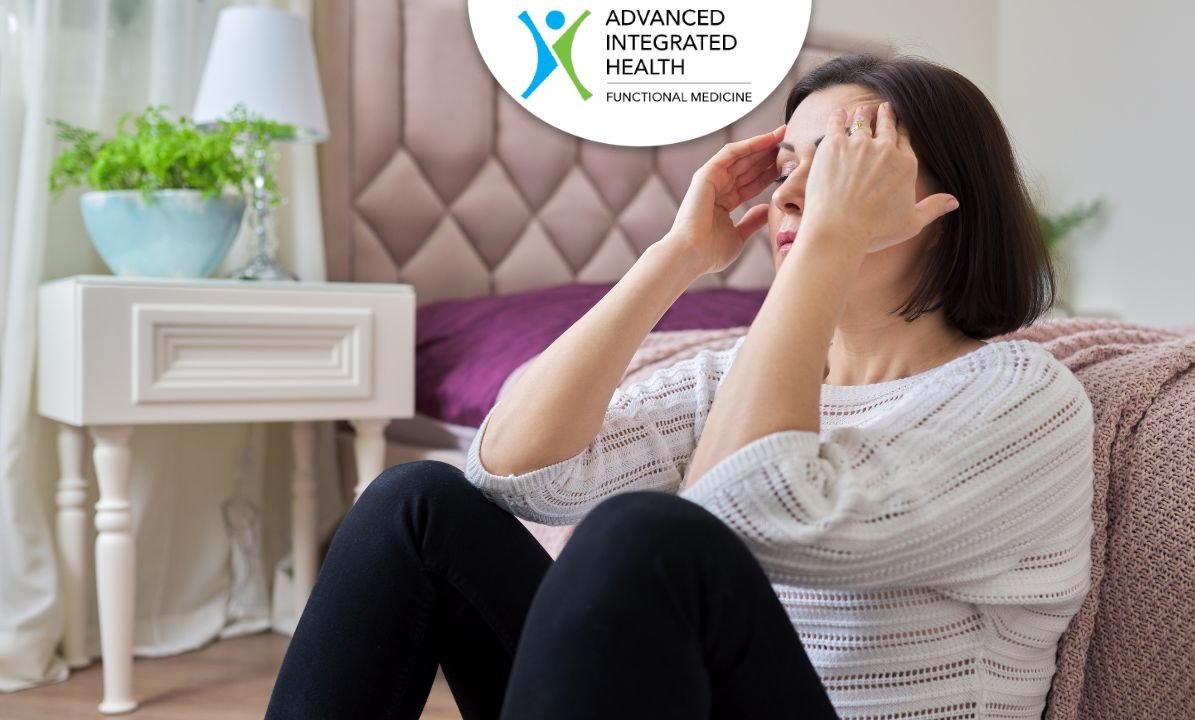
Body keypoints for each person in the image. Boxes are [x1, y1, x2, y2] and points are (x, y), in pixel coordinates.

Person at [265, 52, 1094, 720]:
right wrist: (677, 257)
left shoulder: (1023, 398)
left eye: (842, 166)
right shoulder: (739, 374)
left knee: (645, 533)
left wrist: (829, 243)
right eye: (789, 166)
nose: (792, 195)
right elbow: (513, 470)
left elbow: (747, 509)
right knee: (414, 505)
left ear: (947, 205)